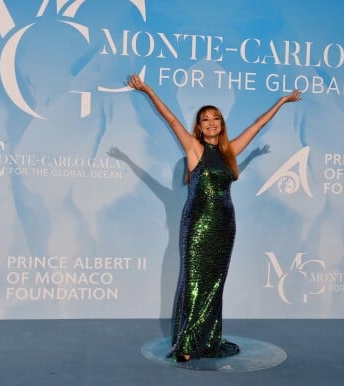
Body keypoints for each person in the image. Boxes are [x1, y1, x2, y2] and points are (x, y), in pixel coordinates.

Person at [127, 74, 301, 362]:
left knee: (215, 283)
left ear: (221, 124)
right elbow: (170, 119)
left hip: (225, 224)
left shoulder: (230, 151)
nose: (210, 123)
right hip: (196, 224)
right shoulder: (195, 150)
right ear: (199, 125)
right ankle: (186, 344)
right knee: (194, 281)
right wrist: (147, 90)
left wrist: (282, 101)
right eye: (205, 119)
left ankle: (207, 339)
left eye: (215, 119)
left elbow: (258, 125)